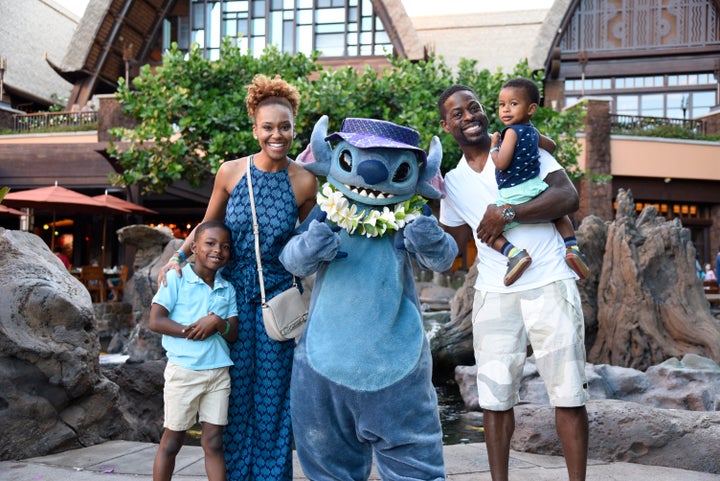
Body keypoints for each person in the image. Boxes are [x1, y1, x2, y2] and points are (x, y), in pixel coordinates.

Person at [158, 74, 317, 481]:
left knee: (273, 396)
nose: (276, 135)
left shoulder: (303, 181)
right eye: (268, 127)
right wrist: (177, 256)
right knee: (232, 393)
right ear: (255, 129)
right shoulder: (230, 172)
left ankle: (269, 476)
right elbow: (208, 225)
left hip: (275, 299)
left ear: (294, 127)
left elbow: (311, 242)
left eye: (285, 127)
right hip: (228, 295)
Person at [437, 84, 589, 481]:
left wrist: (507, 211)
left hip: (550, 281)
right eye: (458, 113)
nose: (468, 116)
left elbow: (567, 197)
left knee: (569, 393)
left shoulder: (519, 144)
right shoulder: (450, 182)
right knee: (494, 399)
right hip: (494, 290)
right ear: (446, 124)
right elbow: (450, 246)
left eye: (473, 108)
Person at [149, 220, 239, 481]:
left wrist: (217, 323)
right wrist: (193, 330)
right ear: (194, 247)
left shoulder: (227, 288)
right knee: (173, 439)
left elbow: (233, 333)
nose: (217, 250)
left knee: (213, 442)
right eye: (210, 243)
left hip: (218, 375)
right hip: (184, 372)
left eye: (225, 246)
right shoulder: (176, 277)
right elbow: (156, 321)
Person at [489, 77, 589, 285]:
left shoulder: (510, 133)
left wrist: (494, 148)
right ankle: (572, 248)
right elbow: (551, 146)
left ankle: (515, 255)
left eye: (513, 104)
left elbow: (501, 163)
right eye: (502, 104)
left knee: (489, 232)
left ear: (531, 108)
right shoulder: (532, 131)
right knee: (559, 215)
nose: (506, 109)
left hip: (513, 192)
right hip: (536, 187)